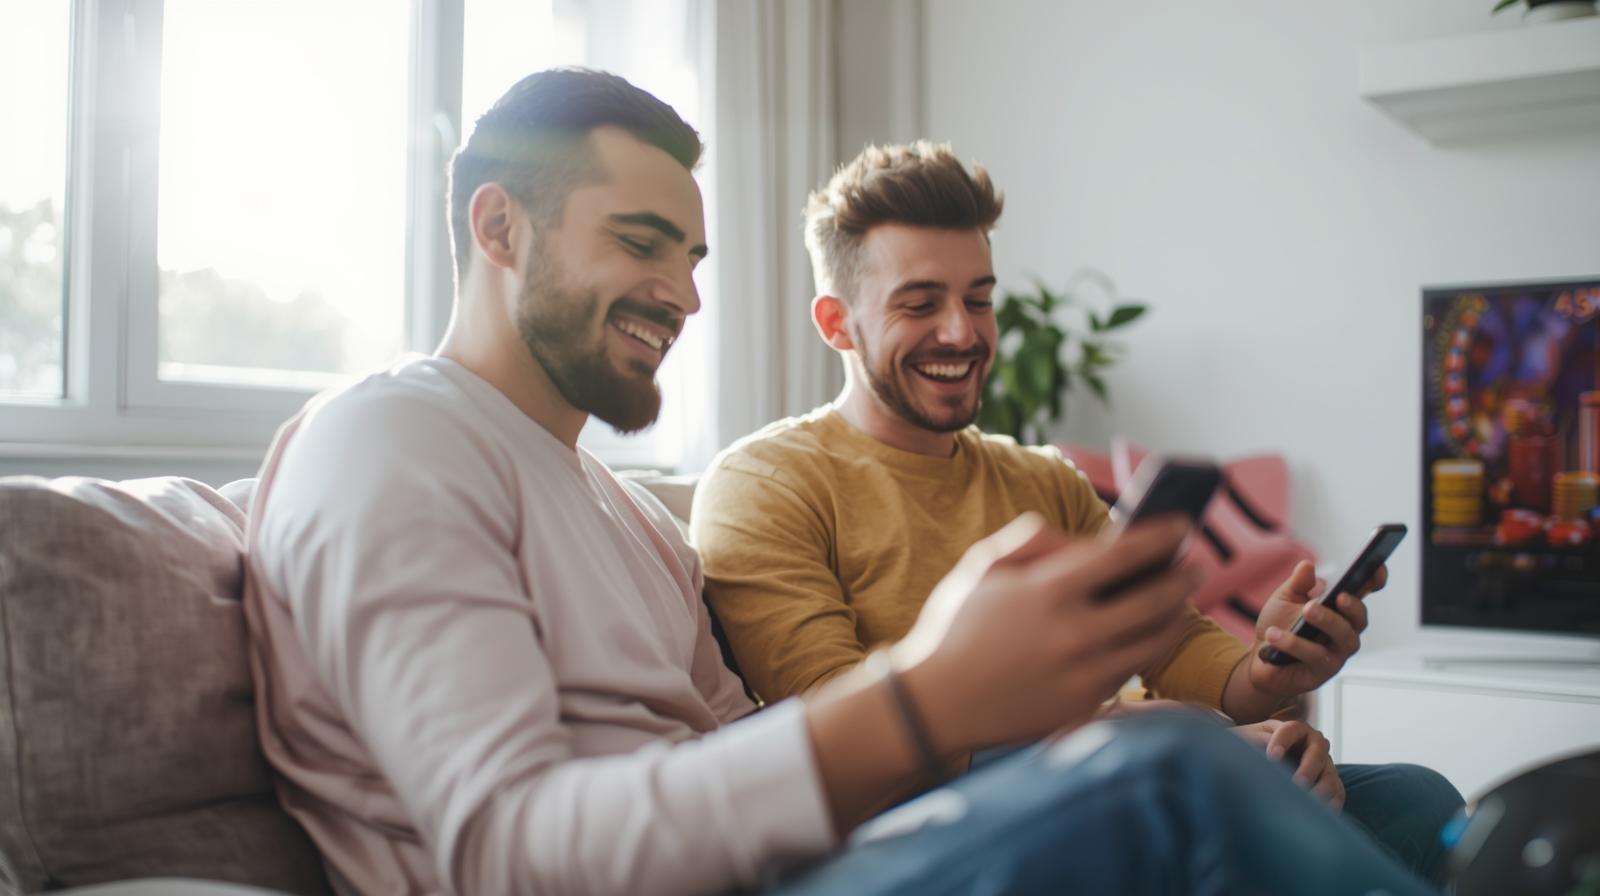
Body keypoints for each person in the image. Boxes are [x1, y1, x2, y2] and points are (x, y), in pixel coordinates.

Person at [243, 67, 1445, 895]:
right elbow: (506, 851)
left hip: (794, 861)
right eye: (638, 241)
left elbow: (740, 742)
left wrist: (1232, 694)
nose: (683, 294)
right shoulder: (387, 440)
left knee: (1393, 794)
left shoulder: (610, 505)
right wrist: (940, 697)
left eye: (692, 255)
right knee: (1165, 772)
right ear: (497, 227)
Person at [691, 140, 1463, 877]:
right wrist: (1123, 737)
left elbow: (1171, 645)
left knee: (1417, 799)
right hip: (928, 815)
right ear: (837, 324)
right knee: (1201, 773)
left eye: (979, 299)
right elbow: (846, 726)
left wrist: (1267, 672)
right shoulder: (766, 482)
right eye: (920, 304)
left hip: (1099, 772)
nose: (962, 332)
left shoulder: (1043, 479)